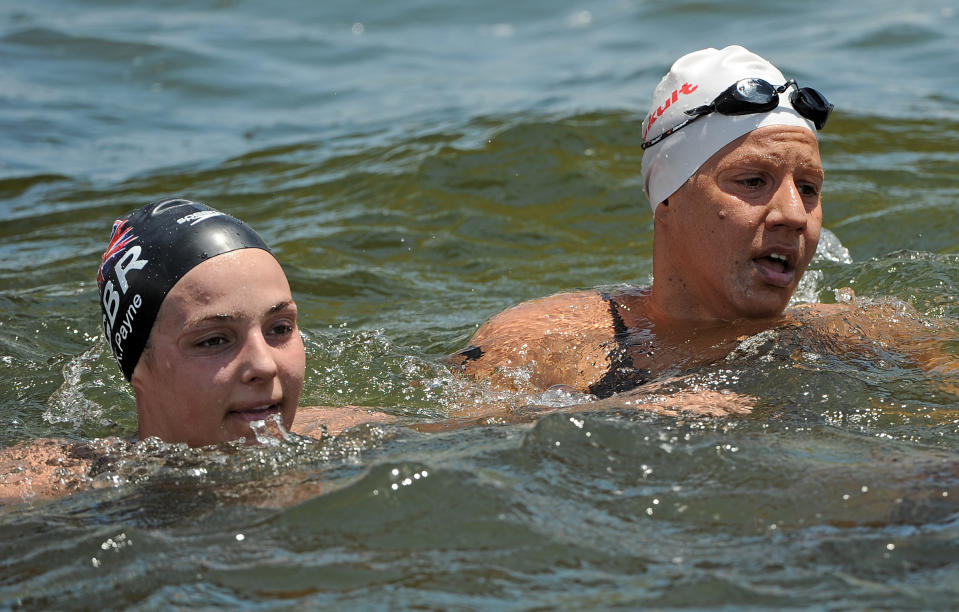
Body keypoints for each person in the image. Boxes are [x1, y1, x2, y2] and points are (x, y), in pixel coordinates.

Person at [455, 45, 955, 397]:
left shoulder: (854, 334)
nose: (793, 215)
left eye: (808, 188)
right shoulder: (549, 341)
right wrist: (648, 416)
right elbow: (449, 441)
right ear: (667, 198)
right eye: (753, 181)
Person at [1, 198, 389, 503]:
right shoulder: (62, 481)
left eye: (280, 328)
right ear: (141, 369)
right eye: (214, 340)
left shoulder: (343, 435)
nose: (264, 365)